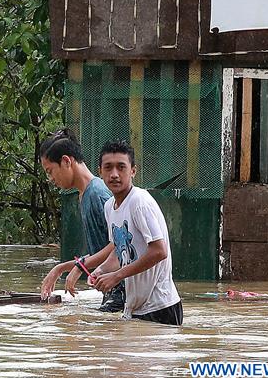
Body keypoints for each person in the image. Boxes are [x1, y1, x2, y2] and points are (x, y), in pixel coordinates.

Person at [89, 140, 182, 326]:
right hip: (136, 308)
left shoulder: (139, 202)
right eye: (108, 167)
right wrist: (102, 270)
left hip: (160, 307)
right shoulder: (109, 206)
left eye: (121, 167)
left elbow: (159, 251)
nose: (114, 174)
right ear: (100, 172)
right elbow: (120, 251)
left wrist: (117, 276)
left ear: (133, 171)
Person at [38, 129, 124, 313]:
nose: (51, 179)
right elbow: (102, 251)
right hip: (112, 290)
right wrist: (61, 268)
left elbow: (119, 245)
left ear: (66, 161)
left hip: (122, 290)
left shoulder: (97, 194)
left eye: (50, 171)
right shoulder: (85, 194)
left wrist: (80, 266)